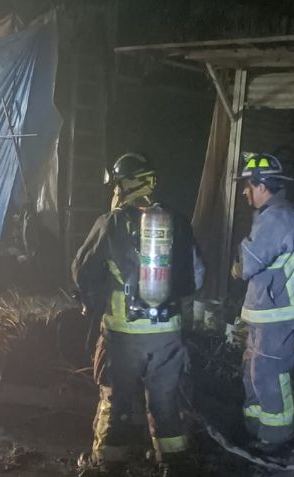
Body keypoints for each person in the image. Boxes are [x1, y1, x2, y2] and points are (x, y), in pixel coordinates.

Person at [72, 153, 203, 477]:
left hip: (123, 334)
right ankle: (173, 462)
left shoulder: (111, 222)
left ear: (124, 185)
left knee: (115, 399)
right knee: (165, 399)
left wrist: (91, 299)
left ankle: (107, 462)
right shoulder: (178, 222)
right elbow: (196, 277)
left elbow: (81, 270)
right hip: (168, 334)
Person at [236, 153, 294, 452]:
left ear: (263, 186)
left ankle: (277, 440)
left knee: (268, 375)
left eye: (249, 185)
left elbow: (248, 262)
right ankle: (256, 430)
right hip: (267, 316)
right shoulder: (271, 215)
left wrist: (236, 263)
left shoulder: (279, 217)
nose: (245, 191)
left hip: (281, 317)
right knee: (252, 374)